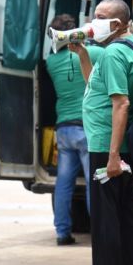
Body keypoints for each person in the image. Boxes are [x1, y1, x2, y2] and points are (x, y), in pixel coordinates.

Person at [75, 0, 133, 265]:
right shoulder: (131, 48)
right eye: (94, 15)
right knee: (131, 217)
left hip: (106, 149)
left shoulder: (112, 53)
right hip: (122, 149)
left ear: (119, 24)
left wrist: (111, 157)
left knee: (106, 219)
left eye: (102, 17)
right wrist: (83, 54)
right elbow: (95, 86)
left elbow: (120, 104)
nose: (95, 22)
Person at [45, 14, 92, 246]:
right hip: (86, 126)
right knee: (95, 182)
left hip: (63, 128)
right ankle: (101, 230)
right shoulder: (88, 54)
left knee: (63, 183)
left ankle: (62, 232)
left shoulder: (51, 62)